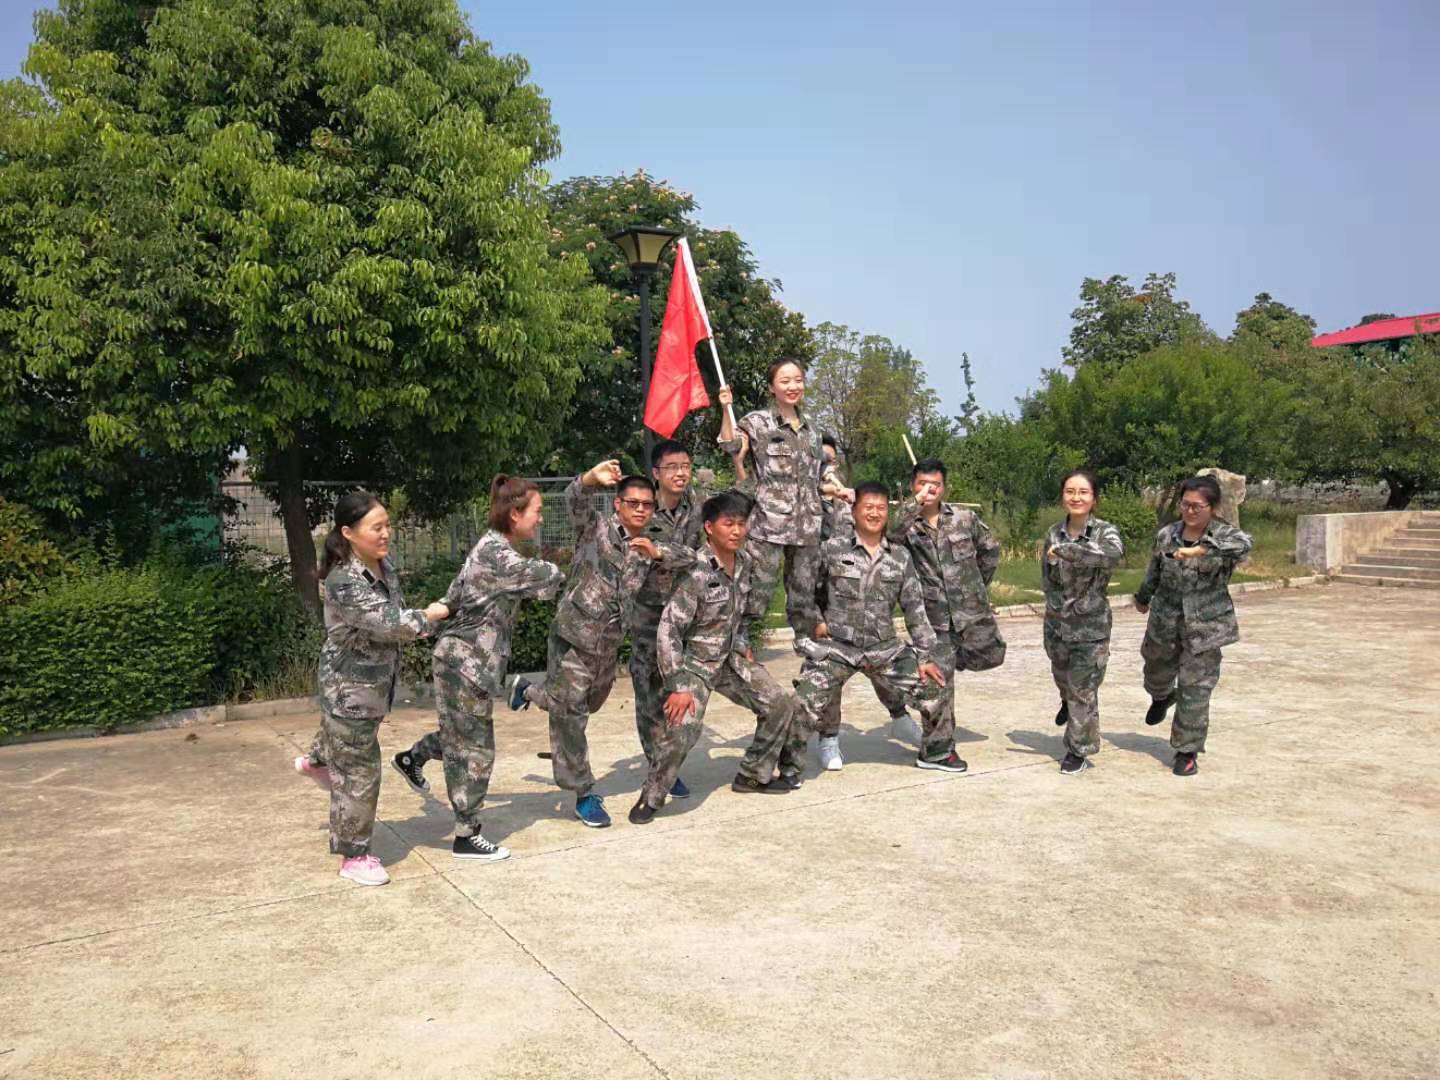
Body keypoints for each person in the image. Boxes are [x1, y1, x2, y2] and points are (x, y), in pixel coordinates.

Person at [401, 476, 565, 861]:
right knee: (474, 749)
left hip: (467, 661)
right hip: (465, 663)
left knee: (460, 735)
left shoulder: (491, 547)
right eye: (537, 511)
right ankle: (466, 834)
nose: (540, 519)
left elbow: (455, 595)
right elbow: (545, 576)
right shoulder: (498, 555)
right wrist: (559, 565)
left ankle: (413, 757)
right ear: (515, 513)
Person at [298, 491, 448, 886]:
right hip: (349, 688)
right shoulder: (343, 581)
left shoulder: (383, 565)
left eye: (387, 525)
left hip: (374, 684)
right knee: (359, 771)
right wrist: (429, 616)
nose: (385, 534)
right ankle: (354, 855)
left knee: (348, 747)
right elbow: (387, 621)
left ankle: (317, 759)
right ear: (348, 533)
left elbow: (392, 613)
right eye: (376, 527)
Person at [509, 461, 663, 828]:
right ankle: (583, 793)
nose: (640, 509)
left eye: (647, 504)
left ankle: (527, 690)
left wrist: (659, 555)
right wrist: (589, 479)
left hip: (608, 644)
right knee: (571, 716)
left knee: (586, 704)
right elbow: (573, 498)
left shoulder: (647, 546)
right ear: (618, 504)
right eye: (633, 503)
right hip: (574, 637)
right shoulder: (597, 529)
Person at [630, 492, 800, 823]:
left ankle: (753, 774)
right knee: (684, 728)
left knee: (779, 703)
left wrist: (743, 642)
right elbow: (668, 630)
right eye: (728, 524)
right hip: (695, 664)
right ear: (709, 527)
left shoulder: (744, 564)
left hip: (730, 659)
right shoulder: (695, 571)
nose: (737, 531)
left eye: (741, 524)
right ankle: (652, 796)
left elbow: (738, 614)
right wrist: (678, 685)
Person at [773, 482, 951, 782]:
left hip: (884, 649)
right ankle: (790, 769)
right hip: (837, 648)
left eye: (880, 508)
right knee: (802, 702)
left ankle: (936, 753)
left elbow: (915, 609)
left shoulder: (900, 556)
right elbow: (805, 591)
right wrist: (815, 621)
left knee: (936, 691)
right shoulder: (832, 549)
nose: (874, 513)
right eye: (868, 507)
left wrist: (925, 657)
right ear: (854, 511)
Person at [717, 359, 849, 638]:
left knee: (804, 599)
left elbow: (818, 474)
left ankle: (808, 648)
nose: (793, 386)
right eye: (785, 381)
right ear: (771, 387)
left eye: (798, 380)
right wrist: (725, 409)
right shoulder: (758, 422)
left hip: (807, 527)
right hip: (769, 527)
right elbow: (731, 446)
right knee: (755, 594)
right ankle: (738, 645)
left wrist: (838, 489)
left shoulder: (812, 430)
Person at [1134, 475, 1253, 777]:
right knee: (1155, 672)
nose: (1190, 511)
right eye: (1185, 505)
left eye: (1197, 506)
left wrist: (1200, 549)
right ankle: (1161, 696)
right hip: (1165, 621)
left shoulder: (1226, 536)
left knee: (1195, 688)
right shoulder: (1167, 535)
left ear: (1212, 507)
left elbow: (1244, 545)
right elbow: (1154, 570)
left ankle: (1186, 751)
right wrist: (1143, 596)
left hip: (1206, 627)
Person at [892, 458, 1005, 771]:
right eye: (922, 484)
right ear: (912, 486)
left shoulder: (964, 518)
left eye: (935, 485)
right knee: (938, 683)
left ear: (945, 488)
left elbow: (990, 549)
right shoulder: (906, 524)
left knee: (993, 655)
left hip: (969, 615)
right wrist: (914, 504)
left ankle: (953, 669)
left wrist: (975, 586)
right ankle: (937, 751)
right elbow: (890, 534)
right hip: (932, 620)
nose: (929, 490)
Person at [627, 438, 711, 802]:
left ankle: (669, 762)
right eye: (672, 467)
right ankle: (659, 767)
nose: (680, 473)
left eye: (686, 466)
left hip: (686, 617)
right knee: (649, 697)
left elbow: (699, 555)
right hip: (647, 616)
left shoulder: (698, 507)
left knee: (680, 691)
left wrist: (663, 552)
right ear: (656, 473)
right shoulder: (643, 510)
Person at [1040, 469, 1124, 775]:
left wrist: (1070, 551)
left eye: (1083, 492)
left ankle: (1079, 749)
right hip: (1057, 625)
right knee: (1064, 682)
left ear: (1094, 499)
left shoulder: (1105, 532)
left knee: (1083, 690)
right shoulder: (1053, 533)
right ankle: (1068, 703)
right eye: (1070, 491)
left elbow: (1112, 555)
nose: (1076, 497)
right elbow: (1047, 578)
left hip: (1091, 627)